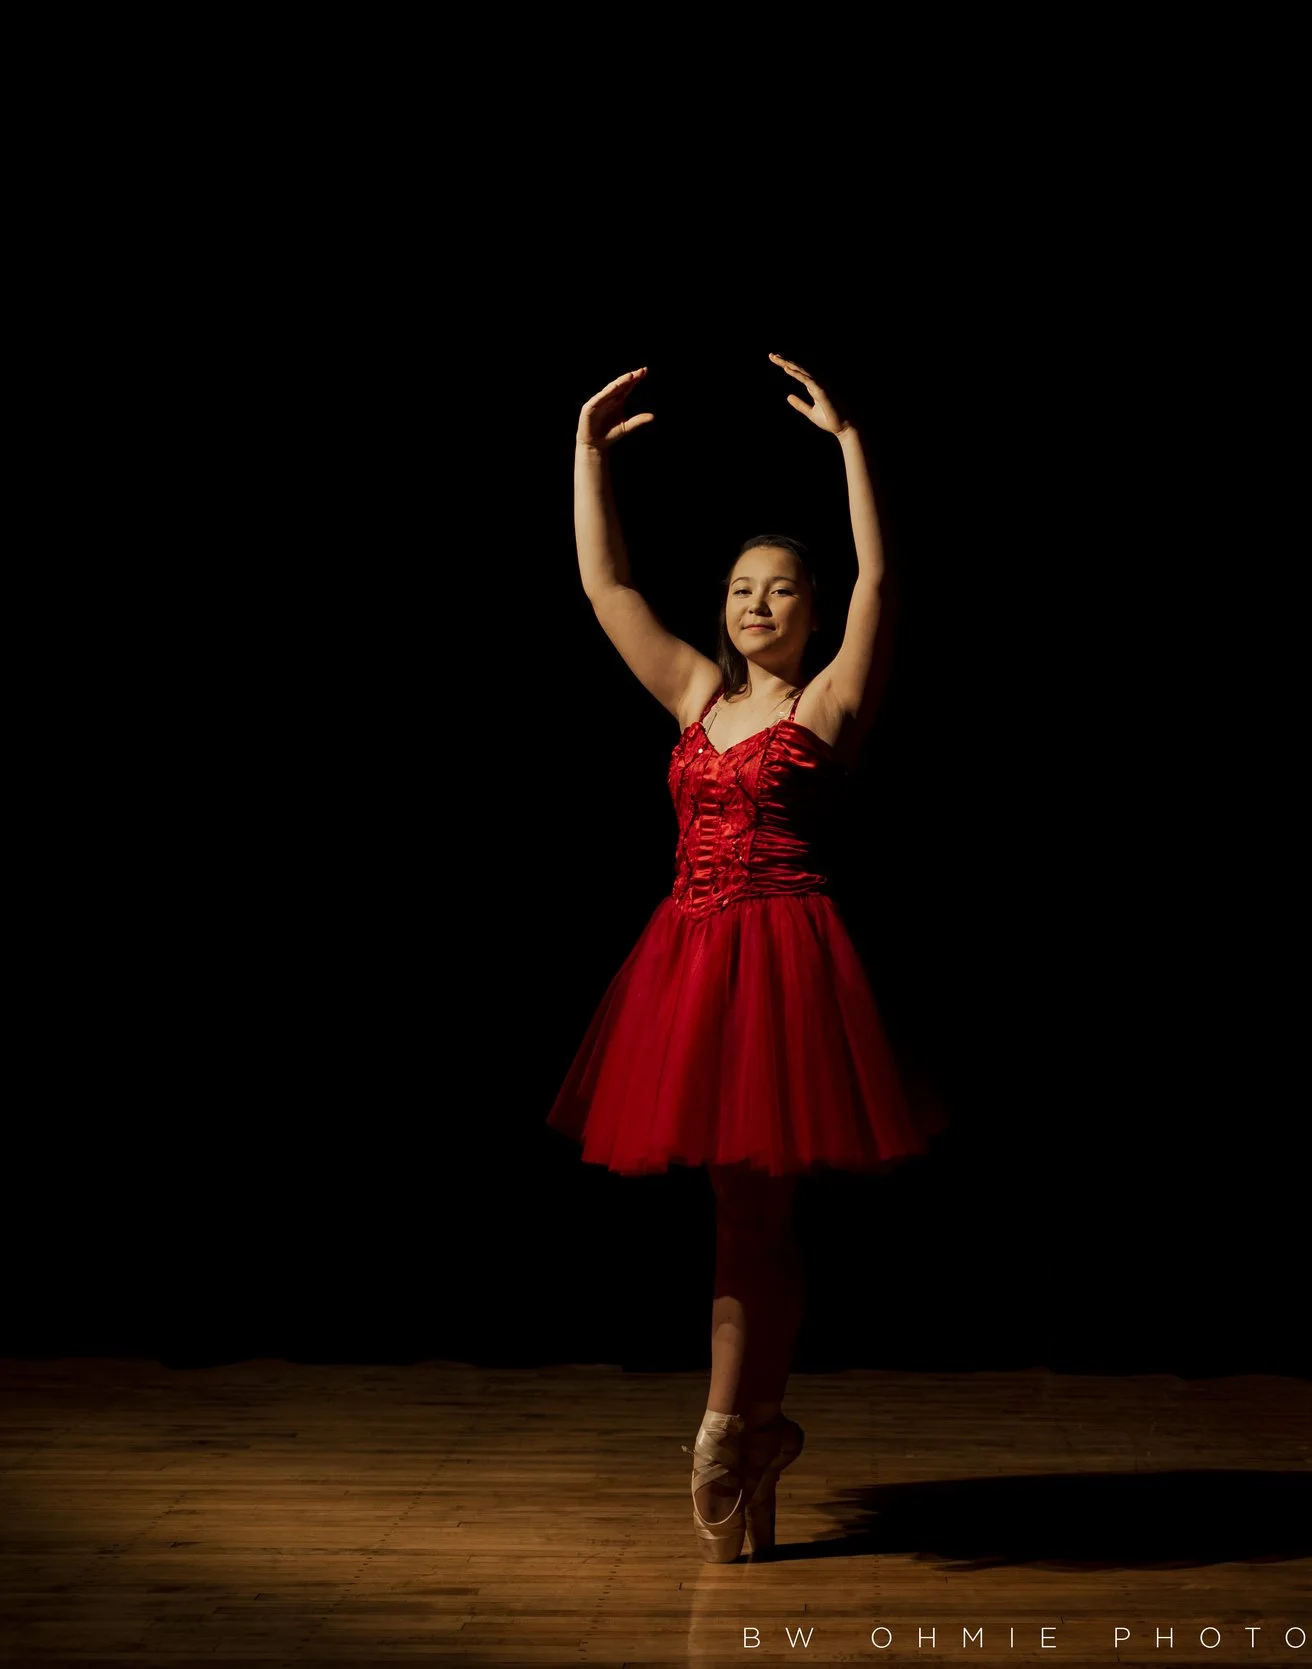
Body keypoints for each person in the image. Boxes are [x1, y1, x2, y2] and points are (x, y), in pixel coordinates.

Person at [545, 354, 948, 1564]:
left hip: (782, 968)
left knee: (759, 1219)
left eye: (778, 589)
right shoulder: (695, 696)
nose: (755, 603)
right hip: (686, 965)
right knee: (736, 1212)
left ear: (811, 612)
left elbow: (883, 571)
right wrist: (587, 456)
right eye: (739, 587)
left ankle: (733, 1429)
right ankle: (746, 1431)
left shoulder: (823, 707)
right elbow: (607, 582)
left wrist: (851, 442)